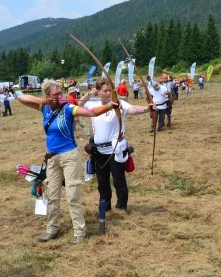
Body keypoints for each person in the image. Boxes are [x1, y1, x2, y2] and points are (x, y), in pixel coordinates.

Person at [17, 79, 118, 245]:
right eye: (55, 94)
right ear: (47, 95)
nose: (59, 97)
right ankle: (52, 229)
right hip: (52, 158)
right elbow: (22, 98)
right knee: (52, 196)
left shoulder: (69, 108)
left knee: (72, 195)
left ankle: (79, 232)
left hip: (70, 156)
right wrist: (45, 102)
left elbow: (91, 112)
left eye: (60, 93)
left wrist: (109, 106)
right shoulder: (44, 108)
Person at [79, 78, 154, 211]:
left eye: (110, 90)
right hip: (99, 152)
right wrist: (89, 94)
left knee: (119, 181)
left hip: (116, 150)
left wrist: (146, 109)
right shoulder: (93, 104)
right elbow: (78, 106)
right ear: (99, 92)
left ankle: (121, 208)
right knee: (102, 182)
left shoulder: (120, 104)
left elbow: (132, 109)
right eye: (105, 91)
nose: (108, 93)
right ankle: (105, 207)